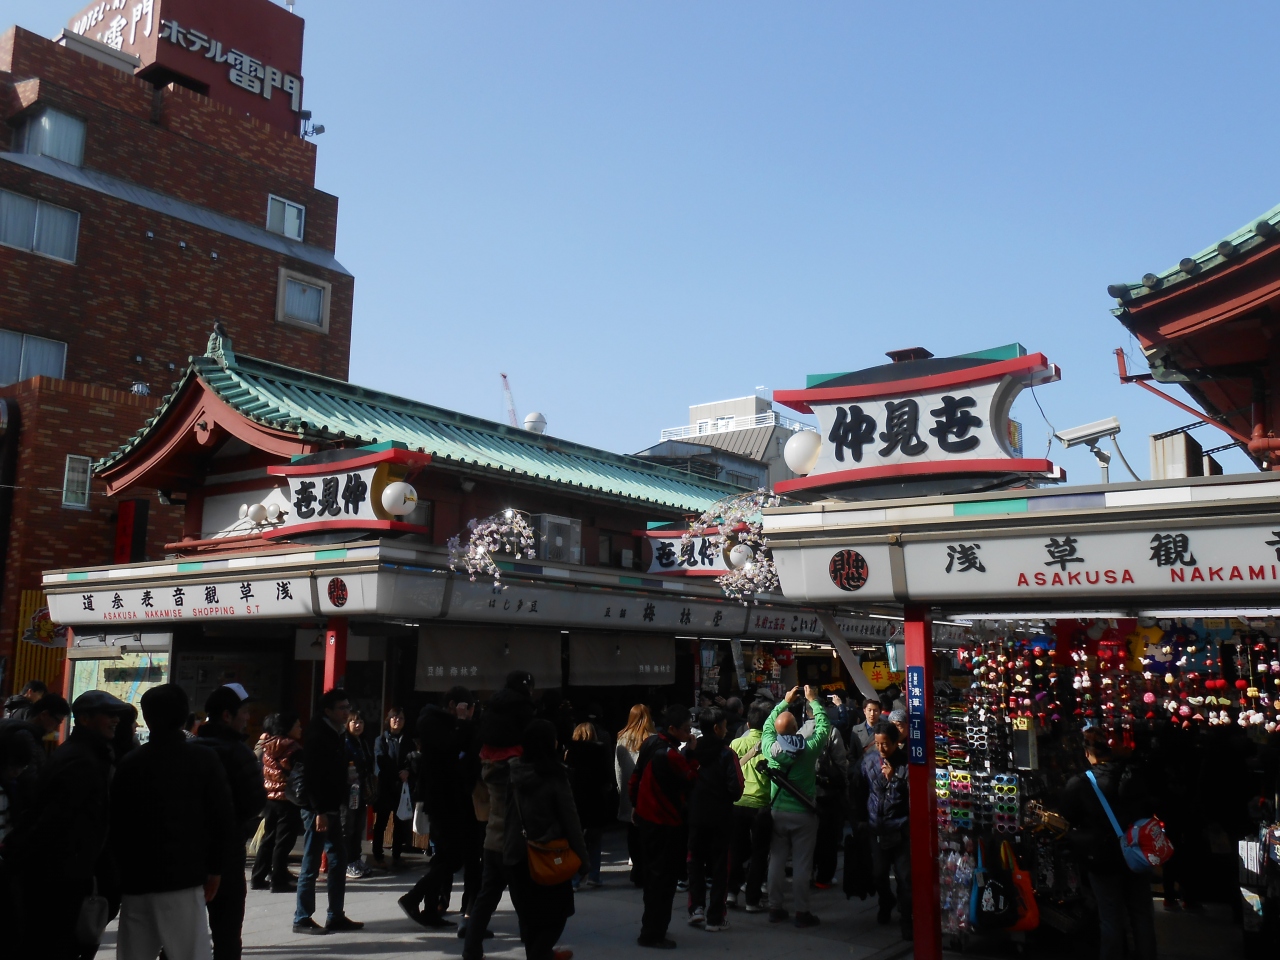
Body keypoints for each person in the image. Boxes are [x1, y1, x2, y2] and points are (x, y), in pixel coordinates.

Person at [111, 684, 235, 960]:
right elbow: (221, 817)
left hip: (137, 879)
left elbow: (117, 824)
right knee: (190, 952)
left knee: (134, 953)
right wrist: (216, 868)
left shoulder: (130, 763)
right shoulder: (203, 758)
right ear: (183, 716)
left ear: (147, 718)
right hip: (183, 877)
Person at [8, 689, 133, 956]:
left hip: (68, 874)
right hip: (63, 879)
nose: (116, 720)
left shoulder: (88, 754)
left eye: (117, 715)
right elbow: (56, 821)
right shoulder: (81, 760)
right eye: (108, 714)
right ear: (85, 718)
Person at [1061, 731, 1158, 960]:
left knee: (1110, 917)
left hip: (1103, 857)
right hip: (1137, 853)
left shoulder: (1081, 783)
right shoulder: (1134, 775)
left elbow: (1068, 815)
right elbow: (1150, 806)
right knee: (1142, 916)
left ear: (1089, 754)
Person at [463, 671, 536, 960]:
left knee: (485, 898)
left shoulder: (488, 764)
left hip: (492, 839)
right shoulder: (521, 771)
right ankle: (536, 951)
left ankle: (471, 949)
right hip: (515, 842)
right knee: (526, 902)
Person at [505, 719, 588, 960]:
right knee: (557, 915)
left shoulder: (514, 773)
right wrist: (584, 860)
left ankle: (542, 955)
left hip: (518, 854)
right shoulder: (555, 776)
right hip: (549, 854)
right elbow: (571, 821)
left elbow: (507, 815)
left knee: (530, 920)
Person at [195, 684, 267, 960]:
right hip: (227, 855)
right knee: (226, 934)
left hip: (189, 855)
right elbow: (254, 803)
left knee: (181, 934)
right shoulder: (238, 753)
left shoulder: (190, 749)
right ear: (227, 715)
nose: (247, 718)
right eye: (244, 712)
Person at [399, 686, 478, 928]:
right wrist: (462, 722)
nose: (470, 713)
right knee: (452, 857)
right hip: (441, 799)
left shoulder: (446, 722)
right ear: (453, 705)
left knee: (445, 856)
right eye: (467, 707)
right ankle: (413, 898)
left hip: (451, 797)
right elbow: (450, 749)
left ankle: (430, 909)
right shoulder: (432, 721)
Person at [293, 688, 364, 935]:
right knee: (311, 863)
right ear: (328, 711)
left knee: (338, 859)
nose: (346, 712)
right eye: (341, 708)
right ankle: (302, 918)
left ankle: (336, 915)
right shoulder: (318, 735)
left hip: (333, 806)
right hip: (318, 810)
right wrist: (319, 810)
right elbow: (313, 777)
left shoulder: (338, 733)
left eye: (347, 707)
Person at [630, 703, 697, 949]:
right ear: (672, 729)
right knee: (663, 881)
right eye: (686, 729)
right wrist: (692, 754)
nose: (689, 733)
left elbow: (635, 778)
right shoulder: (670, 755)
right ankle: (653, 933)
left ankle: (652, 928)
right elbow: (691, 777)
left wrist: (635, 804)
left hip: (648, 819)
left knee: (653, 879)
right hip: (665, 822)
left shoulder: (651, 743)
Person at [761, 685, 829, 927]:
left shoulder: (770, 748)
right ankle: (802, 912)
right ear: (796, 728)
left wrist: (785, 701)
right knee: (802, 864)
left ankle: (774, 907)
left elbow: (767, 726)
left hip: (778, 812)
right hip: (804, 813)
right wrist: (813, 701)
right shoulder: (809, 749)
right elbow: (824, 727)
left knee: (776, 860)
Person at [685, 706, 744, 931]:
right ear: (718, 728)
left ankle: (696, 909)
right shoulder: (727, 753)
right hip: (721, 816)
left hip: (696, 815)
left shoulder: (691, 750)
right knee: (720, 866)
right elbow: (737, 787)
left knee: (695, 862)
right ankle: (715, 917)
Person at [857, 720, 911, 940]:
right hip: (876, 827)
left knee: (905, 878)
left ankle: (907, 918)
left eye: (885, 744)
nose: (881, 748)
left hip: (900, 828)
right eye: (878, 744)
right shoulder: (869, 761)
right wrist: (860, 819)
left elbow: (913, 794)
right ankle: (885, 901)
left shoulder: (906, 763)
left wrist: (895, 779)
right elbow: (859, 790)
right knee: (879, 874)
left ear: (896, 742)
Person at [728, 700, 772, 913]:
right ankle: (752, 900)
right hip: (762, 804)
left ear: (747, 724)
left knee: (735, 850)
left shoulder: (736, 744)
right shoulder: (770, 745)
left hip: (737, 802)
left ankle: (730, 893)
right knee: (759, 853)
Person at [250, 713, 302, 893]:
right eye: (297, 725)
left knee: (269, 838)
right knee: (284, 841)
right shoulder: (292, 748)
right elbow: (300, 773)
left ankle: (258, 876)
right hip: (287, 799)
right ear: (287, 728)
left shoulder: (268, 745)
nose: (300, 729)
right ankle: (279, 880)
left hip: (270, 798)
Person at [564, 721, 617, 889]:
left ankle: (574, 879)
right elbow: (607, 777)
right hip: (595, 801)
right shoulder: (600, 751)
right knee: (595, 841)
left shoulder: (570, 752)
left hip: (575, 802)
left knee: (575, 842)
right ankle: (594, 875)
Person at [804, 697, 849, 889]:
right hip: (828, 792)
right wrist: (844, 785)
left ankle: (807, 872)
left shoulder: (799, 731)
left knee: (808, 837)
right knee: (828, 836)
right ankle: (824, 877)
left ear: (807, 712)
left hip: (805, 793)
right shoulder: (831, 731)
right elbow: (841, 762)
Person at [615, 704, 655, 887]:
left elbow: (618, 768)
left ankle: (636, 868)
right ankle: (647, 868)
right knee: (648, 832)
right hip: (648, 792)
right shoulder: (652, 738)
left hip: (628, 791)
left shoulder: (622, 738)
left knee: (632, 832)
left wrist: (621, 790)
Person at [372, 707, 413, 869]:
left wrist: (407, 771)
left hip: (401, 787)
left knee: (400, 822)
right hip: (385, 786)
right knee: (381, 823)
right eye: (394, 717)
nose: (397, 721)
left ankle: (397, 856)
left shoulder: (407, 740)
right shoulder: (381, 740)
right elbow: (381, 761)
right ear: (388, 720)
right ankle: (378, 856)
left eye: (401, 718)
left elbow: (412, 760)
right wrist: (397, 773)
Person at [342, 710, 376, 879]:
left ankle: (356, 859)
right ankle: (346, 862)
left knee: (358, 827)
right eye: (354, 722)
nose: (358, 725)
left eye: (361, 722)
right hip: (348, 790)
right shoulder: (345, 741)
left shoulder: (363, 742)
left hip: (361, 789)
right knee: (347, 827)